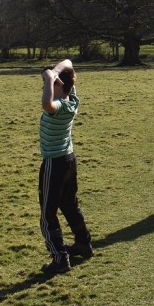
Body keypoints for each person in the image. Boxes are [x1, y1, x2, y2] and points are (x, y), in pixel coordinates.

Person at [38, 59, 93, 274]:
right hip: (69, 160)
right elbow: (68, 62)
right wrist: (54, 72)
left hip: (54, 163)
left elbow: (46, 105)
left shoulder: (58, 107)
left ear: (57, 85)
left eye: (46, 85)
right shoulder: (72, 99)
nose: (44, 87)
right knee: (69, 204)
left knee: (47, 214)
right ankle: (83, 243)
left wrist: (50, 77)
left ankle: (60, 259)